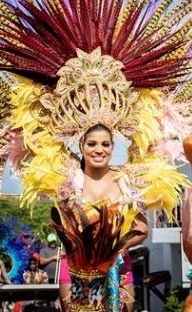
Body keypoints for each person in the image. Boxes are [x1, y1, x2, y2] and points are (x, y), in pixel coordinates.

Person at [54, 124, 150, 312]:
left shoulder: (125, 182)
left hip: (118, 269)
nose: (99, 150)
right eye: (92, 144)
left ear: (112, 147)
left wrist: (119, 246)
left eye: (105, 144)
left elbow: (142, 228)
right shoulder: (70, 182)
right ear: (82, 146)